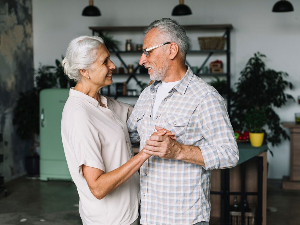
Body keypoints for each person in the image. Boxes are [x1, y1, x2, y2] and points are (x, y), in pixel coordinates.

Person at [127, 18, 239, 225]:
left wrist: (178, 150)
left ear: (172, 50)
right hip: (149, 216)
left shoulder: (204, 97)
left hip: (185, 218)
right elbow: (132, 135)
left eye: (147, 52)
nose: (142, 60)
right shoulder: (146, 94)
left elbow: (229, 153)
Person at [60, 36, 174, 225]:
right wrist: (145, 152)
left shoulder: (103, 103)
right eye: (105, 61)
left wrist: (157, 81)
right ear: (84, 71)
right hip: (111, 220)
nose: (112, 65)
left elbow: (140, 113)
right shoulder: (79, 114)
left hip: (130, 212)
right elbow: (97, 187)